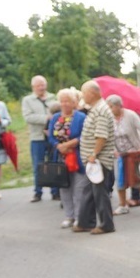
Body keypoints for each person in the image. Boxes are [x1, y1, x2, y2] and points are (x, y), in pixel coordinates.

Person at [73, 80, 115, 235]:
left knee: (100, 194)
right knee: (89, 192)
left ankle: (106, 225)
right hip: (94, 160)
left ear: (93, 93)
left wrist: (93, 154)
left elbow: (101, 136)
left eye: (84, 93)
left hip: (99, 160)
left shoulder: (101, 110)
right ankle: (85, 222)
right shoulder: (96, 108)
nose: (83, 96)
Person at [106, 95, 140, 215]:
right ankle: (126, 204)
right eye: (108, 107)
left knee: (132, 177)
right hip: (120, 154)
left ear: (119, 106)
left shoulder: (130, 115)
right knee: (124, 177)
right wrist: (113, 149)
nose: (109, 109)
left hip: (134, 152)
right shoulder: (109, 118)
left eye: (111, 107)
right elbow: (108, 136)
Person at [47, 89, 87, 229]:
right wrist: (58, 146)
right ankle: (68, 216)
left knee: (79, 188)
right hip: (61, 158)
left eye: (68, 101)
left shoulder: (81, 117)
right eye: (62, 101)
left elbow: (86, 135)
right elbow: (50, 136)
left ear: (74, 103)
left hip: (78, 157)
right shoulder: (55, 117)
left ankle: (79, 217)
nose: (64, 104)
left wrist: (72, 143)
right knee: (64, 188)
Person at [22, 75, 58, 202]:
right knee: (38, 165)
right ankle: (38, 192)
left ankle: (55, 191)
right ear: (33, 87)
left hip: (52, 136)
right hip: (37, 137)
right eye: (38, 85)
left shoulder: (53, 98)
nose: (41, 88)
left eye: (43, 85)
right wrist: (45, 118)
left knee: (54, 163)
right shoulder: (28, 100)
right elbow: (28, 117)